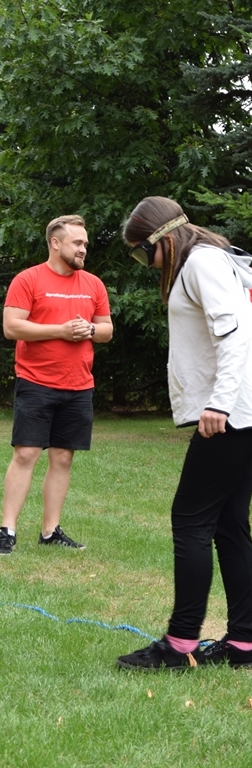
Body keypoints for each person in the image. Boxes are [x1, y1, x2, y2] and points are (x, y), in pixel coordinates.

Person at [117, 196, 252, 671]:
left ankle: (180, 644)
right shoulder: (207, 262)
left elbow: (233, 338)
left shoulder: (202, 262)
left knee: (189, 519)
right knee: (229, 526)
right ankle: (243, 645)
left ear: (161, 239)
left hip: (233, 415)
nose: (144, 263)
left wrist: (218, 403)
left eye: (140, 252)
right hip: (246, 414)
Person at [0, 215, 112, 556]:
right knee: (27, 453)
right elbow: (12, 327)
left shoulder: (93, 284)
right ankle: (6, 530)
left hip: (79, 385)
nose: (83, 249)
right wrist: (60, 330)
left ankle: (50, 531)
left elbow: (106, 329)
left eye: (85, 244)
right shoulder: (29, 279)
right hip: (36, 381)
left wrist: (89, 331)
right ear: (56, 243)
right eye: (78, 243)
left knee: (63, 457)